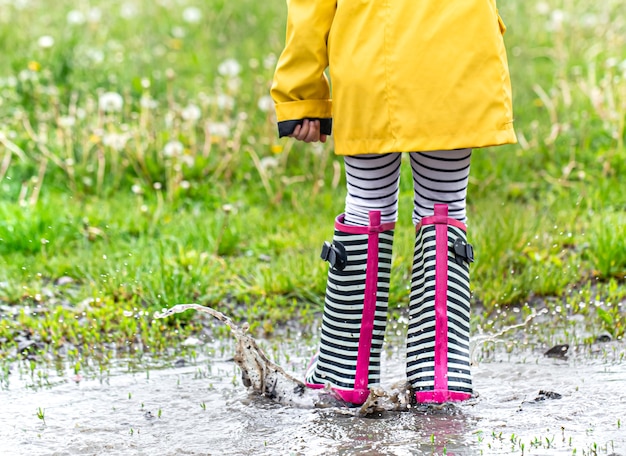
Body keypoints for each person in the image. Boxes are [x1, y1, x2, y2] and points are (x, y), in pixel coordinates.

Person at [270, 0, 516, 405]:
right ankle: (442, 374)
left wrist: (301, 94)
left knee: (369, 202)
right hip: (460, 46)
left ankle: (343, 368)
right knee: (444, 208)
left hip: (371, 51)